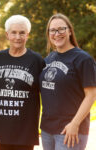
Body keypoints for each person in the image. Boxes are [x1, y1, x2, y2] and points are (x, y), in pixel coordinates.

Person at [39, 13, 96, 150]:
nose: (57, 33)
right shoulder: (48, 59)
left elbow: (91, 94)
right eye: (52, 30)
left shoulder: (83, 59)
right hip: (47, 129)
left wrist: (75, 124)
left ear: (69, 31)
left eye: (61, 29)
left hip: (69, 129)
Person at [0, 15, 45, 150]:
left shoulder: (37, 60)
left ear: (28, 35)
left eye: (22, 33)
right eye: (14, 32)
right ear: (7, 35)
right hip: (2, 129)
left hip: (25, 132)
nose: (18, 37)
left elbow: (48, 93)